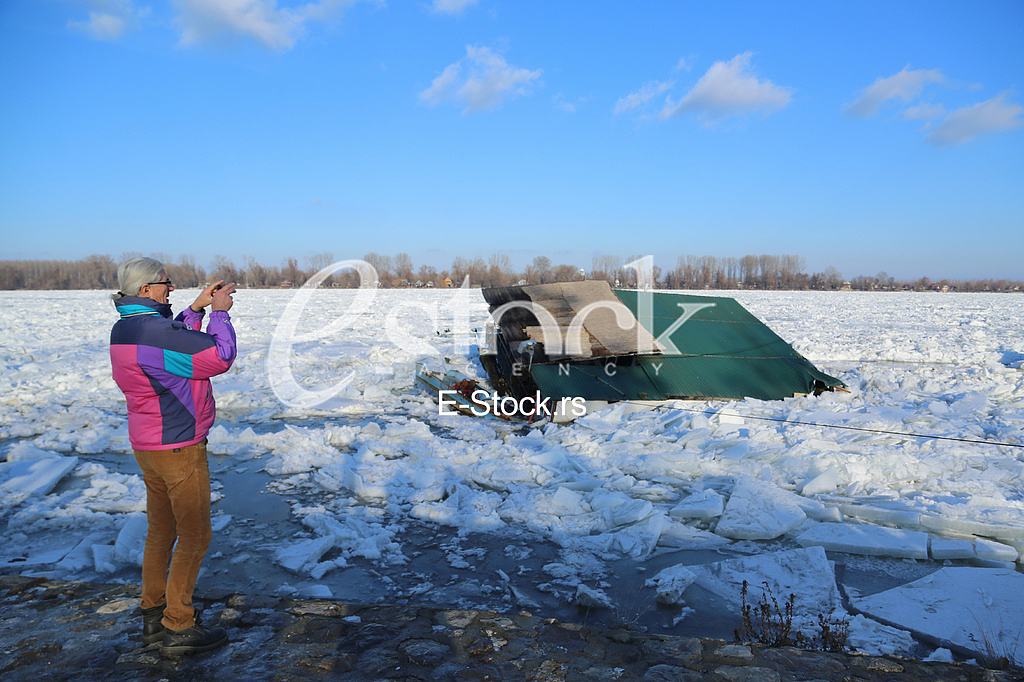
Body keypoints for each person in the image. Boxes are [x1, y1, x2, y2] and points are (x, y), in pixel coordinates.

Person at [109, 256, 236, 657]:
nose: (171, 287)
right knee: (195, 535)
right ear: (146, 290)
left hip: (148, 446)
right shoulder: (154, 330)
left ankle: (152, 615)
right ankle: (178, 626)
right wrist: (219, 315)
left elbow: (172, 342)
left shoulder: (126, 328)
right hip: (178, 445)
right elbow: (218, 357)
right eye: (166, 283)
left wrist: (195, 310)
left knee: (161, 532)